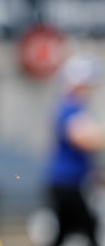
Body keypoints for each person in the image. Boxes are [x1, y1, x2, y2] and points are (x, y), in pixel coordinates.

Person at [44, 53, 105, 246]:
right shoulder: (69, 106)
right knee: (87, 226)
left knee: (68, 230)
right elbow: (82, 138)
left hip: (70, 182)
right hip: (66, 182)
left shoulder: (74, 106)